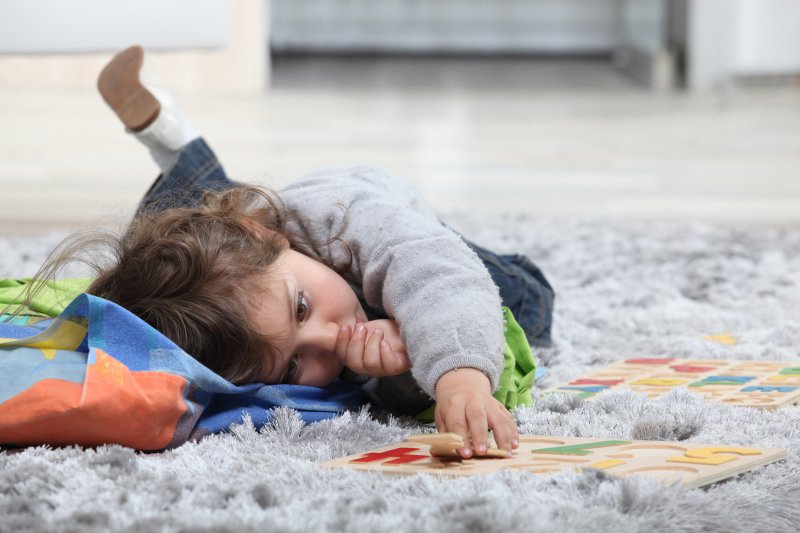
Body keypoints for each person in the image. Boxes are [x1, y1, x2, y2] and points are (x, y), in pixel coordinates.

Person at [33, 46, 555, 458]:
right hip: (269, 237)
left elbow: (439, 276)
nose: (331, 341)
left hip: (394, 228)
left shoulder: (347, 221)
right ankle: (174, 142)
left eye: (302, 309)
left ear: (267, 237)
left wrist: (458, 377)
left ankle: (181, 153)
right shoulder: (258, 265)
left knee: (525, 300)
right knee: (181, 252)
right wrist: (396, 371)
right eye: (291, 369)